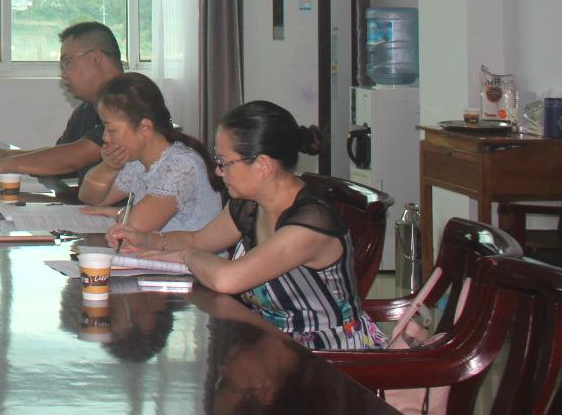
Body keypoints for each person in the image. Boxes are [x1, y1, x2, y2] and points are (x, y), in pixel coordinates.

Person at [108, 100, 385, 351]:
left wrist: (185, 257)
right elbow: (197, 241)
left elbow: (227, 278)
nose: (218, 172)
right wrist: (147, 240)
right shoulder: (249, 205)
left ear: (263, 165)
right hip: (271, 344)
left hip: (330, 354)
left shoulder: (309, 224)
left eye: (224, 163)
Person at [0, 21, 125, 177]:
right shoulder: (87, 109)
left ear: (95, 58)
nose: (63, 74)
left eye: (66, 63)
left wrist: (4, 165)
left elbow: (70, 160)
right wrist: (4, 155)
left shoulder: (130, 101)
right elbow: (59, 155)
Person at [77, 71, 222, 236]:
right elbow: (91, 198)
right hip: (156, 251)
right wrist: (109, 167)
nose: (105, 138)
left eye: (111, 129)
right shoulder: (137, 162)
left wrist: (118, 213)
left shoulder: (183, 165)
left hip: (185, 253)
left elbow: (136, 227)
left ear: (144, 128)